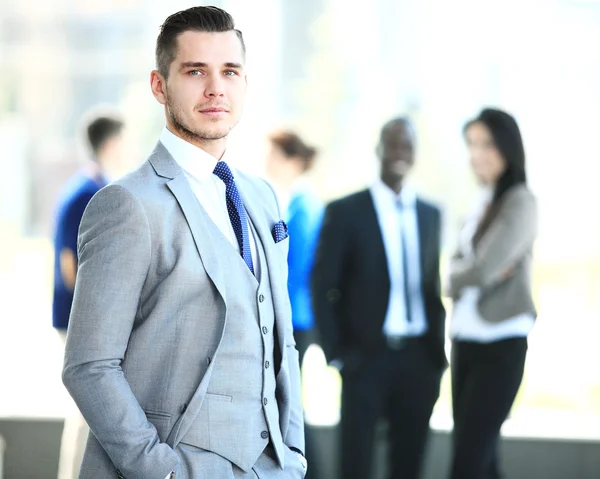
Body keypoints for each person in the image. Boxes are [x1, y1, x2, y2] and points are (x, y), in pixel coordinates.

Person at [62, 7, 306, 479]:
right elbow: (89, 366)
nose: (215, 87)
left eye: (229, 71)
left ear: (244, 84)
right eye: (195, 71)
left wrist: (292, 453)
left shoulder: (261, 196)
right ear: (159, 85)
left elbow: (282, 340)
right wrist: (162, 471)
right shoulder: (127, 204)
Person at [312, 118, 446, 479]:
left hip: (420, 359)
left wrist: (436, 358)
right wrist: (337, 354)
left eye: (408, 146)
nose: (400, 153)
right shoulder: (345, 211)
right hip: (365, 358)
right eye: (394, 144)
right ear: (378, 149)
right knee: (355, 462)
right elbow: (323, 285)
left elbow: (432, 286)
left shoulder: (431, 214)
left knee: (409, 462)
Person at [447, 108, 538, 479]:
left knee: (467, 463)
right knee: (482, 463)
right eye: (471, 144)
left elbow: (480, 270)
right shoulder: (481, 200)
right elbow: (464, 266)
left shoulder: (520, 200)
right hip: (465, 341)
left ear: (507, 146)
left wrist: (461, 274)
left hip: (500, 344)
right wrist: (467, 272)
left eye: (486, 143)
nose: (477, 153)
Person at [52, 109, 126, 479]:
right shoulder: (85, 195)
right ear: (111, 144)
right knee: (86, 411)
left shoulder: (93, 188)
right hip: (80, 322)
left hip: (88, 321)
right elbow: (70, 268)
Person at [266, 130, 324, 479]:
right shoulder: (294, 200)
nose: (267, 163)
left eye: (273, 155)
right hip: (294, 316)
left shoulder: (304, 205)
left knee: (291, 408)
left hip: (296, 318)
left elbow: (295, 268)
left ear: (293, 160)